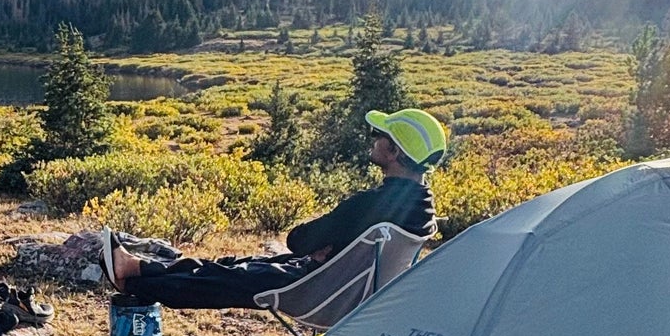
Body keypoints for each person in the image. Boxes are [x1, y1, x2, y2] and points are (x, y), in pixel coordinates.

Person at [100, 107, 447, 310]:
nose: (375, 139)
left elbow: (298, 240)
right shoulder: (423, 207)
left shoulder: (371, 204)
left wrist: (322, 248)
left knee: (230, 279)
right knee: (234, 265)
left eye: (382, 137)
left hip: (322, 290)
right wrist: (330, 249)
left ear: (395, 153)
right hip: (347, 286)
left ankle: (134, 283)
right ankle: (137, 267)